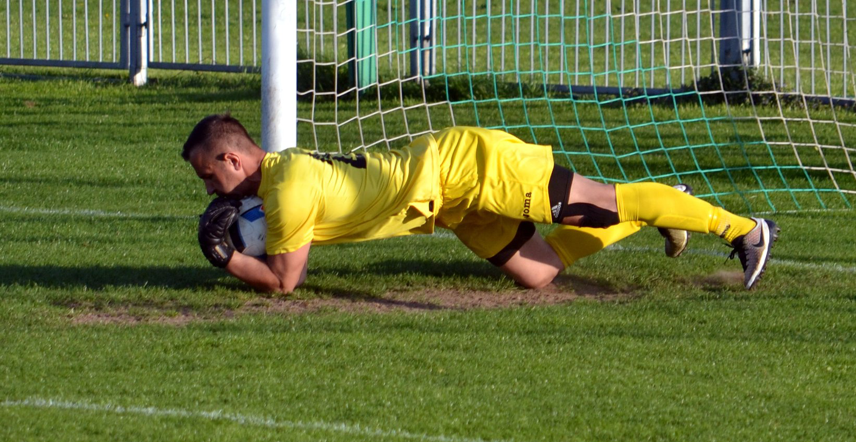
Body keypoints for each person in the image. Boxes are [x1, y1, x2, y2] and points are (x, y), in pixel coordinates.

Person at [182, 114, 779, 294]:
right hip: (451, 206)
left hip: (472, 168)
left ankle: (746, 230)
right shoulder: (282, 175)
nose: (211, 192)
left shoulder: (286, 189)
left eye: (210, 178)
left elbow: (287, 281)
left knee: (600, 201)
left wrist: (226, 258)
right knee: (540, 273)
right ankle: (667, 205)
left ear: (234, 160)